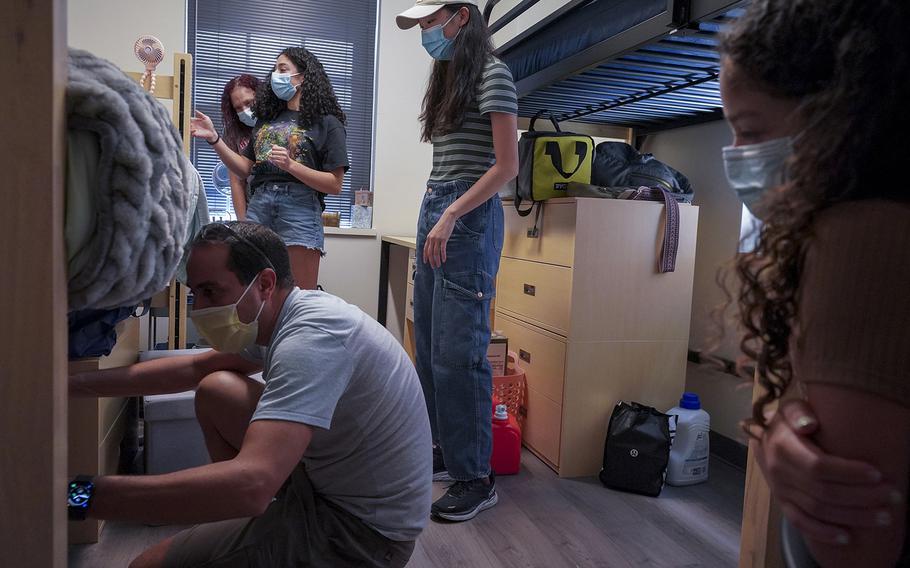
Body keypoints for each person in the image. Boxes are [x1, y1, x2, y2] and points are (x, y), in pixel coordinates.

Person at [67, 221, 431, 568]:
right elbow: (194, 369)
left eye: (212, 291)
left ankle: (250, 528)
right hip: (329, 485)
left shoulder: (310, 340)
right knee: (216, 389)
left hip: (361, 535)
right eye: (195, 294)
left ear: (265, 283)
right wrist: (71, 386)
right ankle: (248, 527)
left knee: (146, 565)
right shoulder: (284, 316)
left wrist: (78, 495)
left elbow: (253, 483)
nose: (201, 310)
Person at [718, 1, 910, 565]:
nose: (734, 156)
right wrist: (782, 420)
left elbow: (852, 541)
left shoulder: (863, 237)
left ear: (842, 115)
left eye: (750, 130)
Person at [396, 0, 518, 522]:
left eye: (429, 21)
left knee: (459, 354)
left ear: (460, 16)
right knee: (427, 345)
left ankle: (476, 478)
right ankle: (448, 451)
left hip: (466, 216)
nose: (425, 32)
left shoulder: (494, 74)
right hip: (440, 207)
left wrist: (449, 215)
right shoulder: (450, 78)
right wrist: (435, 214)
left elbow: (507, 166)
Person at [191, 47, 349, 289]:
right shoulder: (267, 120)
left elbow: (335, 184)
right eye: (275, 69)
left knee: (299, 295)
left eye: (283, 69)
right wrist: (214, 139)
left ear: (303, 76)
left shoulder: (328, 122)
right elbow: (244, 169)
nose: (275, 74)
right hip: (260, 205)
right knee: (255, 293)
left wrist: (291, 165)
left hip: (300, 207)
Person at [219, 74, 260, 220]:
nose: (245, 111)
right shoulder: (232, 131)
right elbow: (236, 181)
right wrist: (243, 224)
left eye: (249, 103)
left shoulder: (277, 122)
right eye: (238, 108)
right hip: (253, 208)